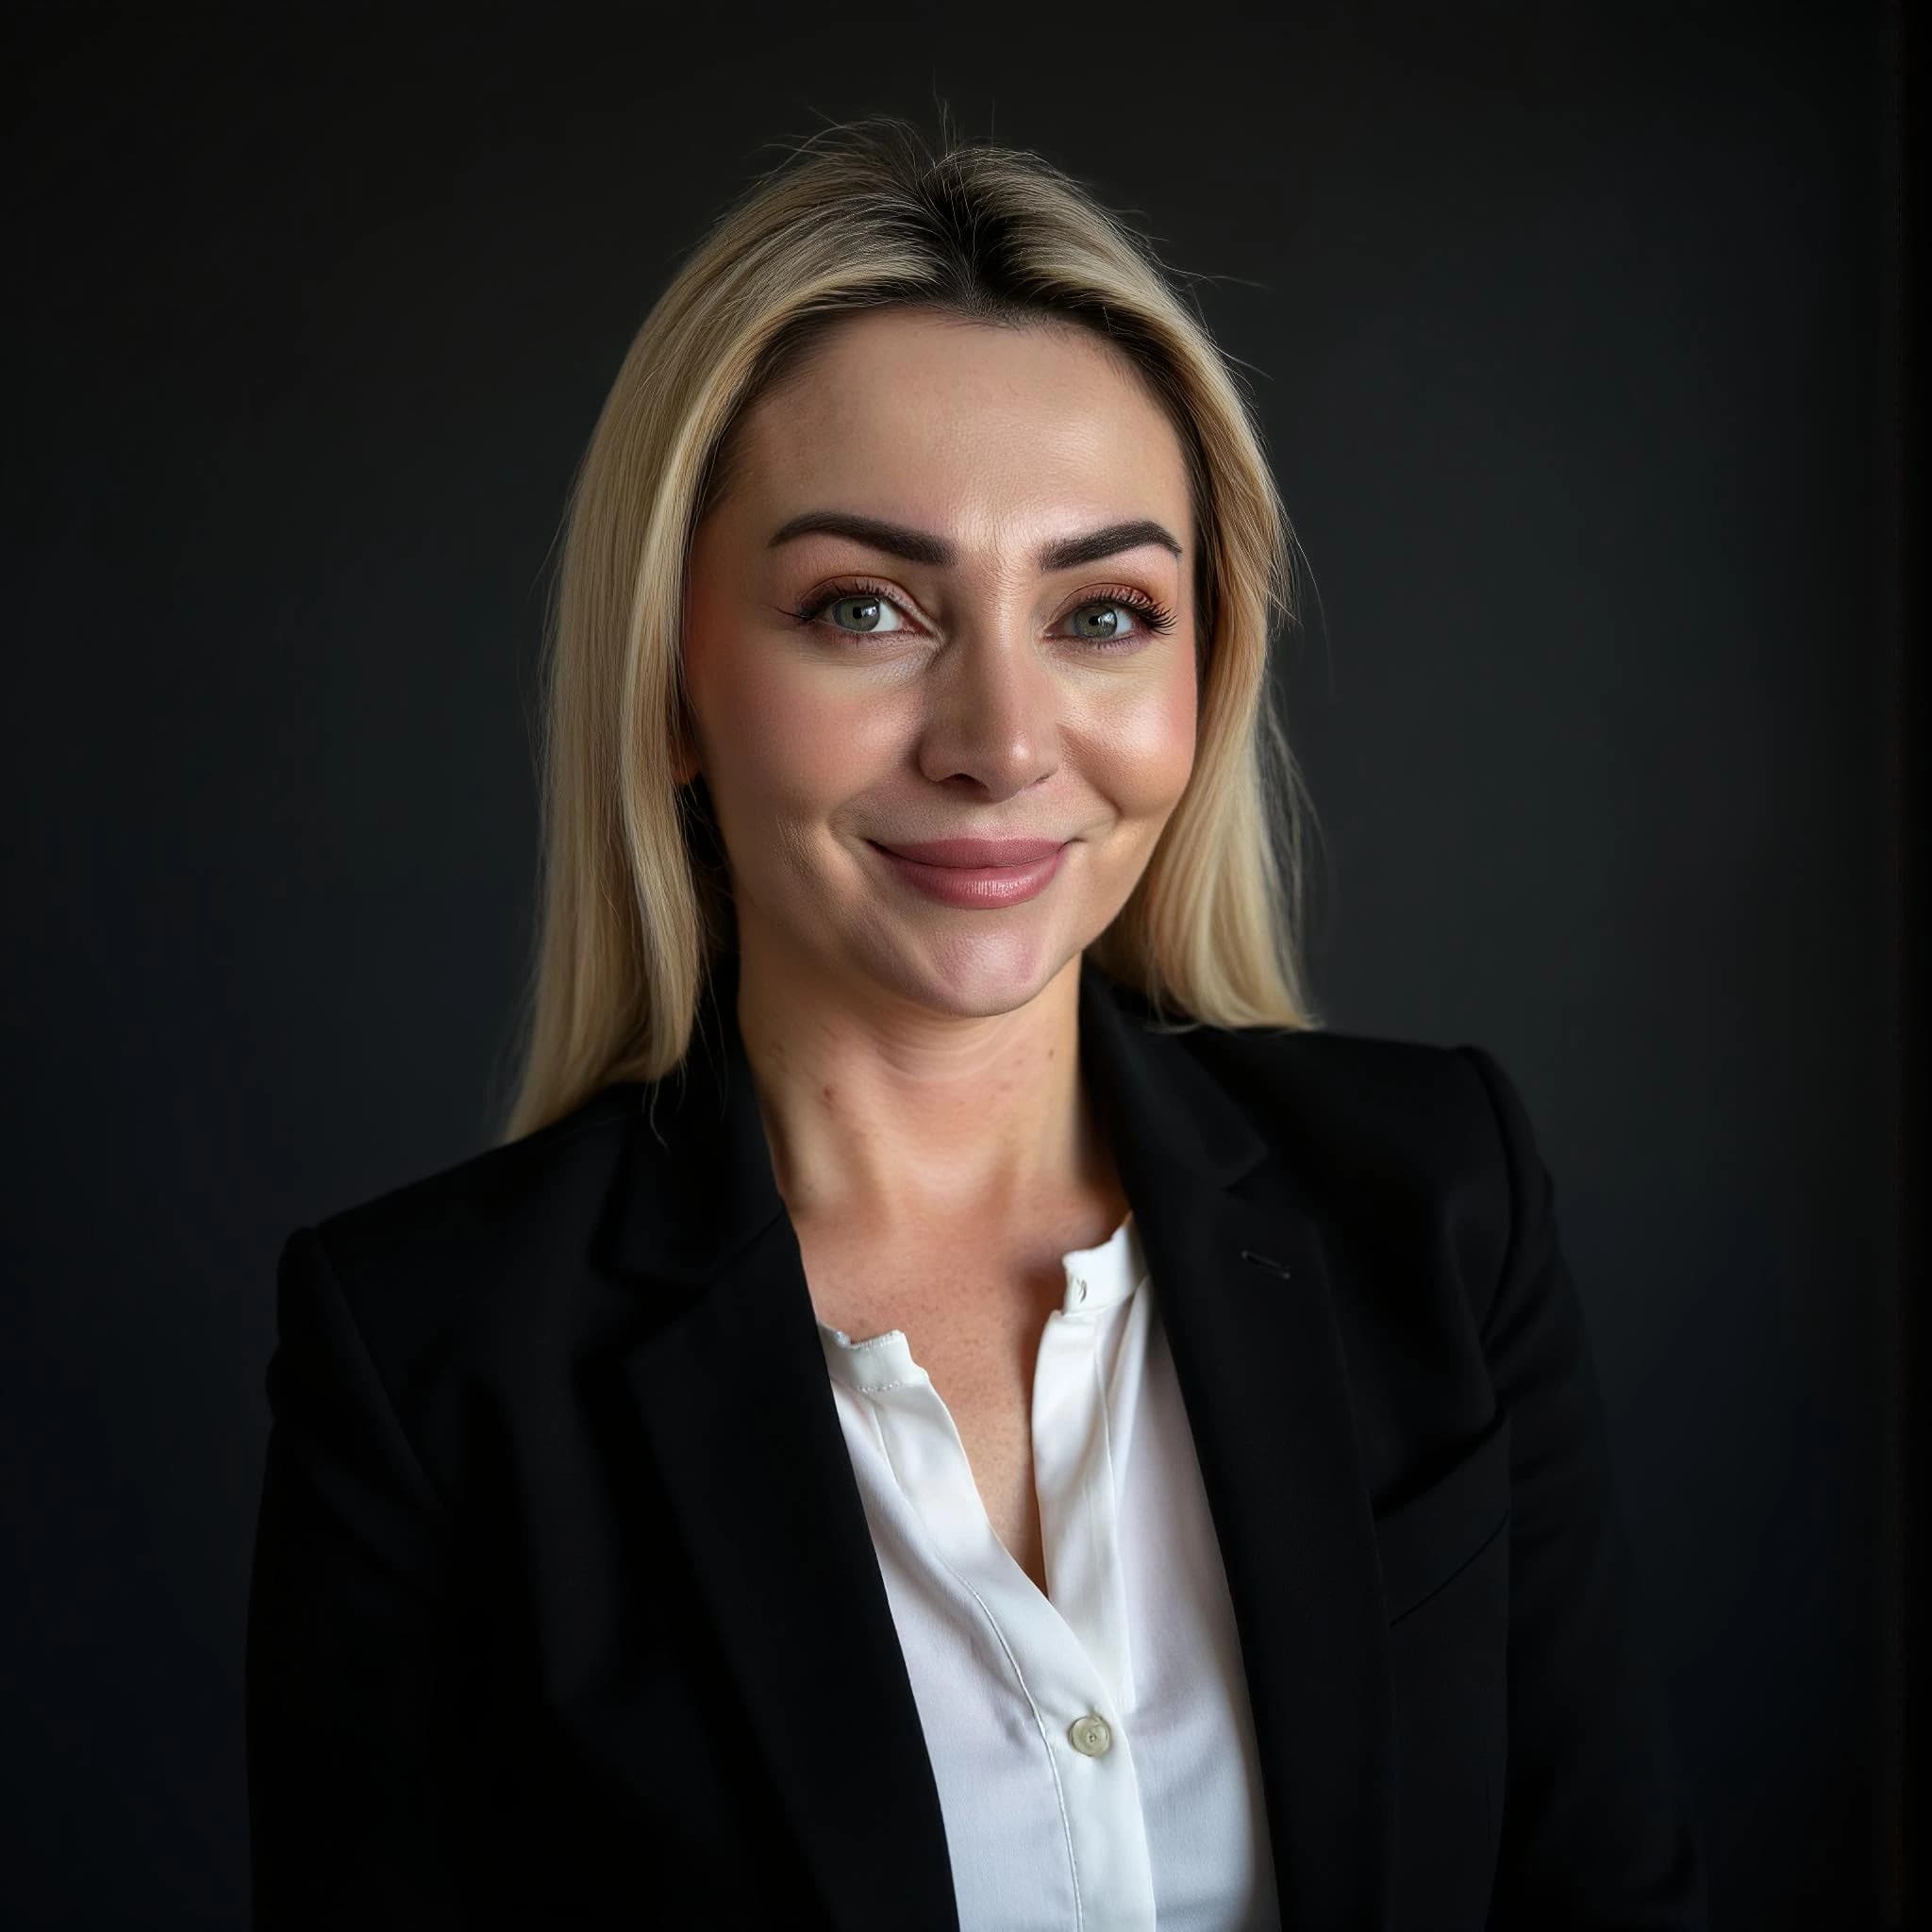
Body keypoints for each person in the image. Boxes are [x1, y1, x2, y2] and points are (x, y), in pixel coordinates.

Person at [244, 116, 1707, 1931]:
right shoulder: (433, 1365)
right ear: (675, 681)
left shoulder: (1438, 1209)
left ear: (1200, 676)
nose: (1003, 741)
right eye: (865, 608)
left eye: (1102, 612)